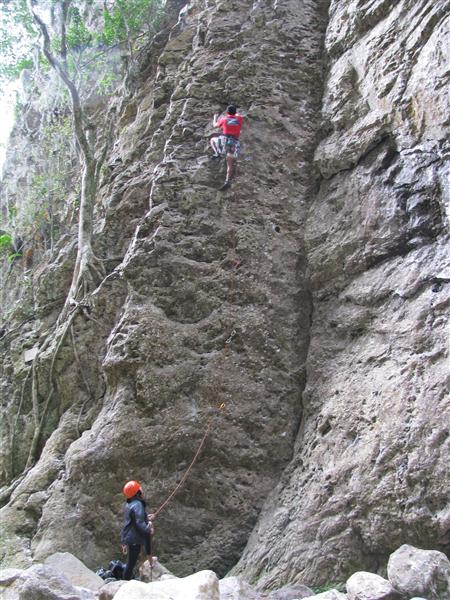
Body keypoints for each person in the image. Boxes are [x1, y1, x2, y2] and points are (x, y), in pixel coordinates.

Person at [121, 480, 155, 580]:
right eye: (140, 488)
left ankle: (125, 581)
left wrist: (146, 518)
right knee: (131, 562)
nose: (142, 489)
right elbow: (139, 523)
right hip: (134, 538)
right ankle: (124, 583)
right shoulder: (138, 505)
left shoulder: (130, 504)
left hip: (130, 537)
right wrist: (149, 527)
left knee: (131, 561)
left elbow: (135, 519)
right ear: (137, 492)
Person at [210, 105, 244, 190]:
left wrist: (215, 118)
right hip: (234, 143)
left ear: (227, 112)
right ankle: (227, 181)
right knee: (230, 164)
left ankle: (217, 153)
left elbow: (215, 125)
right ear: (235, 112)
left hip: (224, 141)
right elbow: (237, 116)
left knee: (213, 140)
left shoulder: (224, 119)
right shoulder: (239, 119)